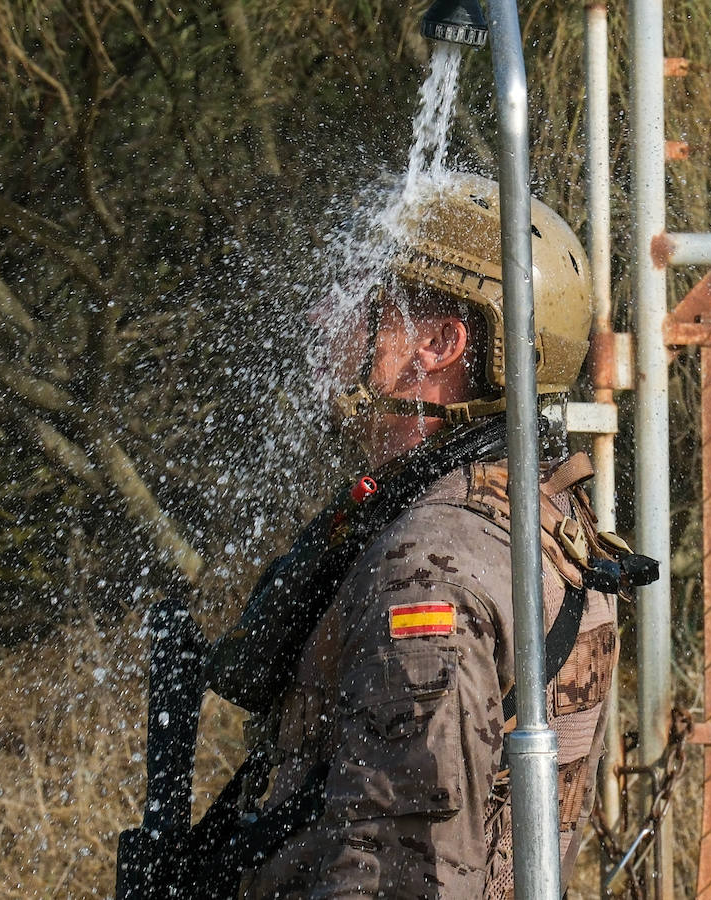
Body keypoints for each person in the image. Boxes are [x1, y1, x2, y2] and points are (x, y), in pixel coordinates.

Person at [225, 172, 618, 898]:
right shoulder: (530, 507)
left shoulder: (430, 570)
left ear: (438, 343)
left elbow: (398, 872)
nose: (323, 315)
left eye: (363, 297)